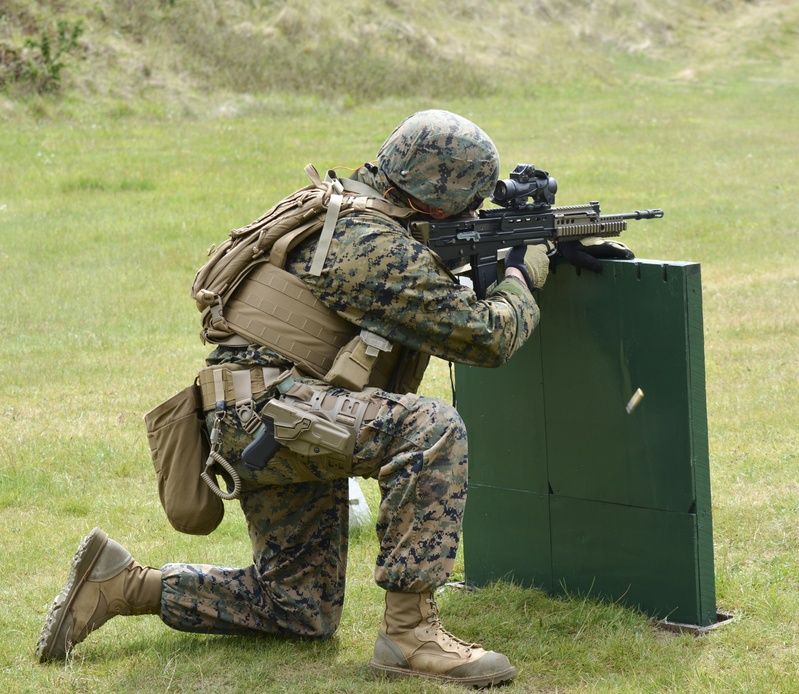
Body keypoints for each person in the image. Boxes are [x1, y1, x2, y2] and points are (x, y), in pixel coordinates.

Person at [36, 110, 629, 687]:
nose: (475, 211)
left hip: (267, 419)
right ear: (437, 193)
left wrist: (515, 252)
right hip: (275, 417)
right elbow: (486, 336)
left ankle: (124, 584)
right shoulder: (369, 243)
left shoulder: (343, 212)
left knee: (297, 608)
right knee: (429, 427)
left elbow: (411, 298)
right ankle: (410, 635)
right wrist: (522, 276)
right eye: (471, 200)